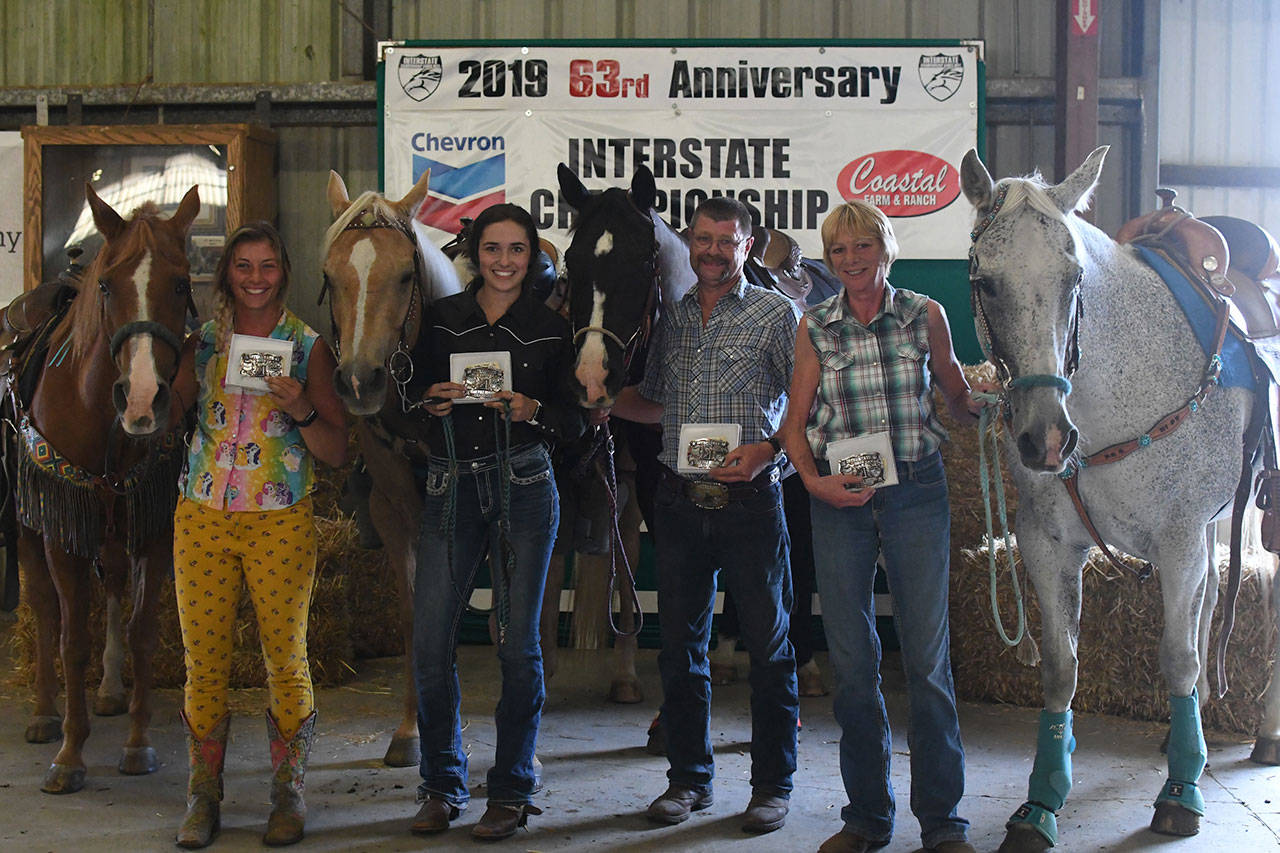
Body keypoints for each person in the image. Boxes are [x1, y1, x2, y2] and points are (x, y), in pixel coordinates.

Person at [778, 201, 983, 853]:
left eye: (862, 245)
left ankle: (943, 821)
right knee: (854, 661)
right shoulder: (816, 326)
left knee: (925, 660)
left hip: (915, 492)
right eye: (838, 250)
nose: (851, 259)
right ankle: (867, 815)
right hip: (840, 494)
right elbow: (793, 424)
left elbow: (954, 394)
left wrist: (999, 404)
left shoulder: (925, 315)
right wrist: (813, 481)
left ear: (885, 249)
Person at [610, 196, 799, 834]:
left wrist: (769, 450)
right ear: (689, 243)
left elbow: (812, 414)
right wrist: (600, 402)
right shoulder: (674, 317)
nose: (713, 250)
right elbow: (656, 403)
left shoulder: (778, 316)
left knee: (770, 651)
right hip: (679, 503)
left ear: (749, 245)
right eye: (703, 239)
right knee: (680, 650)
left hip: (752, 504)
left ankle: (772, 786)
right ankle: (688, 780)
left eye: (727, 240)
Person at [406, 203, 585, 841]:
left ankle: (510, 789)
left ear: (533, 255)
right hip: (451, 485)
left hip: (526, 484)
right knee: (430, 640)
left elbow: (577, 420)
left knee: (517, 644)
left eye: (516, 250)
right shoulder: (442, 319)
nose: (503, 262)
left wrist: (536, 408)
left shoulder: (551, 328)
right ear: (474, 254)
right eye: (491, 250)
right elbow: (408, 398)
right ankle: (440, 784)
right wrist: (427, 400)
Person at [170, 221, 349, 848]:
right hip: (202, 516)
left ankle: (288, 793)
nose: (254, 278)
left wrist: (300, 405)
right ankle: (203, 797)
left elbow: (335, 450)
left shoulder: (306, 345)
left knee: (287, 659)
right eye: (243, 266)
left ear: (284, 272)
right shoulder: (206, 342)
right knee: (204, 663)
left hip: (280, 519)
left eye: (266, 265)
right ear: (227, 274)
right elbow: (165, 414)